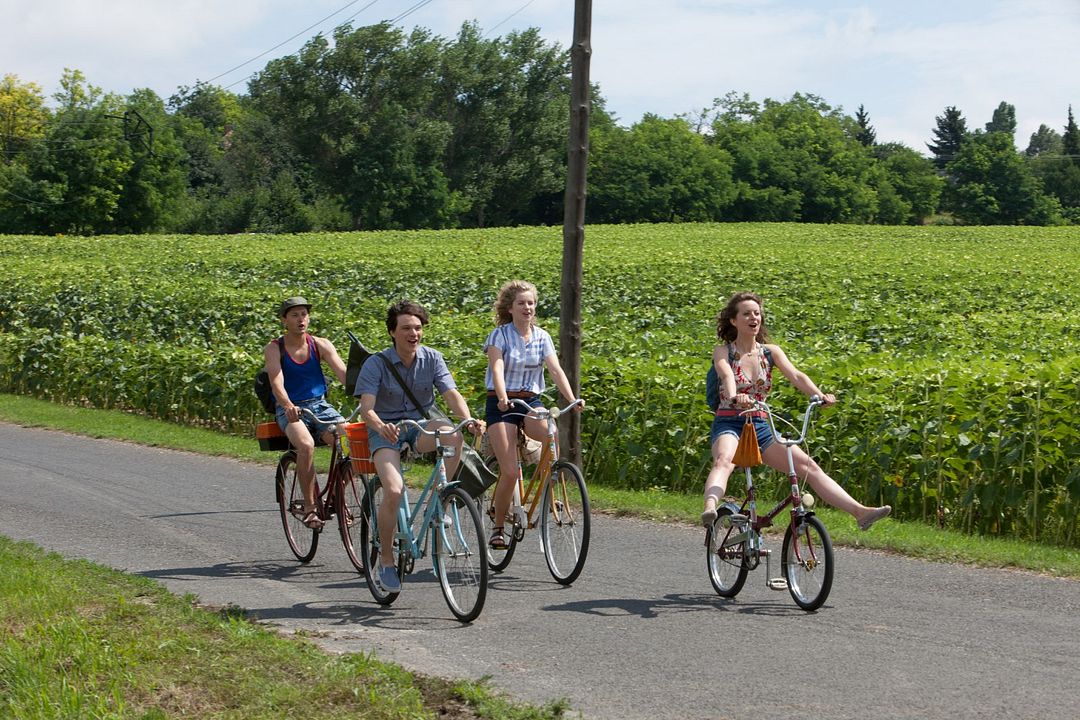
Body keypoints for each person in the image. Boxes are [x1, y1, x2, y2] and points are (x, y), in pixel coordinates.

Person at [701, 291, 891, 531]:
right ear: (733, 320)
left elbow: (796, 375)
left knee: (807, 466)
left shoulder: (770, 352)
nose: (753, 318)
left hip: (760, 424)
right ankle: (710, 507)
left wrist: (818, 395)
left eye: (757, 313)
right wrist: (733, 396)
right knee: (724, 460)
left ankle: (861, 512)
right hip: (730, 421)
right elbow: (727, 374)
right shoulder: (723, 351)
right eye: (747, 314)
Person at [355, 299, 483, 593]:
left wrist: (468, 419)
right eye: (406, 328)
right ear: (392, 332)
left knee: (453, 433)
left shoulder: (433, 358)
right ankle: (386, 560)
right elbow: (367, 408)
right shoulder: (376, 363)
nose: (413, 334)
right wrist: (379, 425)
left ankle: (442, 498)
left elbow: (450, 394)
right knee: (395, 489)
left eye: (418, 328)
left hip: (420, 425)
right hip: (385, 431)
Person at [484, 280, 582, 549]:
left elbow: (555, 370)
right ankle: (498, 527)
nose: (527, 307)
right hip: (501, 404)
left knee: (550, 431)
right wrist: (503, 396)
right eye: (521, 303)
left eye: (530, 303)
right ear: (510, 308)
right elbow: (497, 367)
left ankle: (551, 486)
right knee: (509, 471)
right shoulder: (499, 335)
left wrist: (572, 400)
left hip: (530, 402)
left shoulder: (542, 337)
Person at [264, 296, 349, 530]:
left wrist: (366, 393)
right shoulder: (275, 348)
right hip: (290, 408)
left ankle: (337, 498)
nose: (301, 319)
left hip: (319, 405)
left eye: (304, 314)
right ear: (284, 320)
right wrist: (288, 405)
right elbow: (276, 382)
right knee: (306, 445)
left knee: (349, 439)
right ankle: (311, 508)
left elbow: (343, 374)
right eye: (294, 315)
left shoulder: (320, 344)